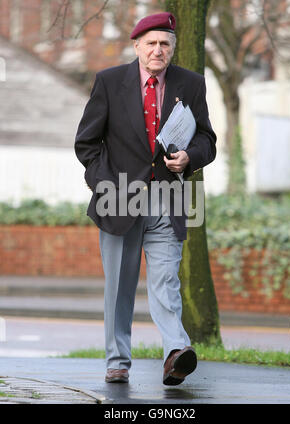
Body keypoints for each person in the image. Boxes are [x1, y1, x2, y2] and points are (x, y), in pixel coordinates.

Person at [75, 12, 216, 386]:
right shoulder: (108, 82)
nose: (158, 50)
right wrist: (102, 185)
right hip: (118, 199)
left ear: (172, 49)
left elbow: (207, 139)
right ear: (137, 45)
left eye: (165, 44)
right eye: (151, 43)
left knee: (166, 279)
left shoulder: (192, 83)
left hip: (168, 198)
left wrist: (191, 157)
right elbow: (86, 143)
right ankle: (117, 360)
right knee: (119, 286)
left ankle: (175, 352)